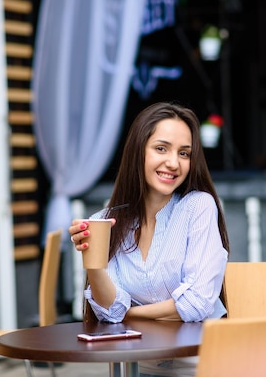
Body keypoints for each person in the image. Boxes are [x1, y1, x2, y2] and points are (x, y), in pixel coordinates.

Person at [69, 101, 230, 376]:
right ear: (137, 151)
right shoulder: (106, 221)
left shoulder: (199, 207)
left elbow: (197, 303)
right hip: (137, 361)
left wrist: (129, 313)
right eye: (161, 148)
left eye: (184, 153)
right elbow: (109, 310)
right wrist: (92, 260)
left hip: (200, 359)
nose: (173, 162)